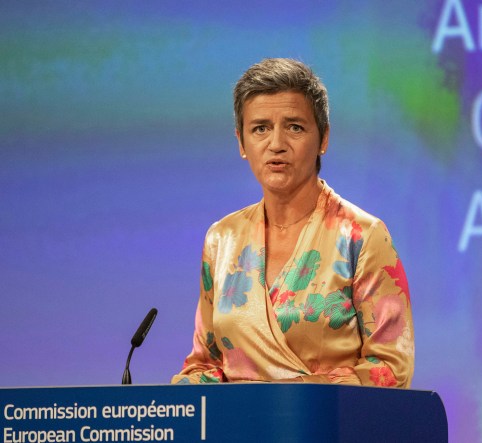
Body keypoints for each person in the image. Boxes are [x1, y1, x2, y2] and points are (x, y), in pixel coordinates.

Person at [171, 58, 414, 387]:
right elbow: (205, 362)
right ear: (242, 143)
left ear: (323, 139)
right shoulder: (222, 239)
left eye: (295, 127)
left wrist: (301, 398)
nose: (276, 144)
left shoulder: (362, 237)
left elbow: (390, 366)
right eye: (260, 129)